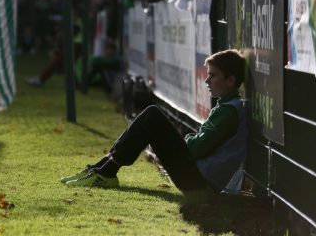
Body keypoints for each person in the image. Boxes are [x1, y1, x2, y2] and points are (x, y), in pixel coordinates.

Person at [61, 49, 247, 193]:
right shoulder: (226, 105)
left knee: (152, 115)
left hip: (200, 182)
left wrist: (185, 140)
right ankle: (102, 168)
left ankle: (105, 171)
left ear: (230, 80)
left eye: (212, 75)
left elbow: (195, 148)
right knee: (151, 116)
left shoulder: (230, 111)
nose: (207, 81)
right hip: (198, 177)